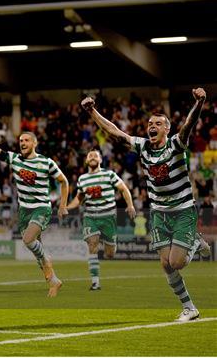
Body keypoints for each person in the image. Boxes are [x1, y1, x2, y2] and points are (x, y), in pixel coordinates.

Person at [81, 88, 211, 321]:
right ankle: (189, 308)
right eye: (150, 123)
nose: (152, 126)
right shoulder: (143, 146)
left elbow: (188, 125)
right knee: (166, 265)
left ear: (167, 129)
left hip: (182, 210)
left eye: (158, 123)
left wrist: (199, 103)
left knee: (177, 262)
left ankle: (193, 241)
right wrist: (92, 112)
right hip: (159, 212)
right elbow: (115, 132)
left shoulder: (176, 144)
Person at [0, 123, 68, 297]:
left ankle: (48, 259)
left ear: (34, 143)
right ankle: (53, 281)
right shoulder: (14, 159)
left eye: (27, 140)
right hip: (24, 211)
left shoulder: (46, 162)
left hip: (41, 207)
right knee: (36, 250)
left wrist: (62, 205)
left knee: (28, 240)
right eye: (21, 140)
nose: (22, 143)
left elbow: (64, 181)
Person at [66, 150, 136, 290]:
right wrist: (66, 207)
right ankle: (95, 282)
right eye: (90, 156)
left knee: (110, 254)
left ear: (101, 160)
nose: (92, 157)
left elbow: (123, 188)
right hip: (91, 216)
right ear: (86, 161)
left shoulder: (109, 174)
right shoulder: (82, 179)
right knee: (92, 245)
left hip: (108, 217)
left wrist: (130, 205)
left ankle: (109, 244)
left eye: (95, 155)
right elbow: (79, 199)